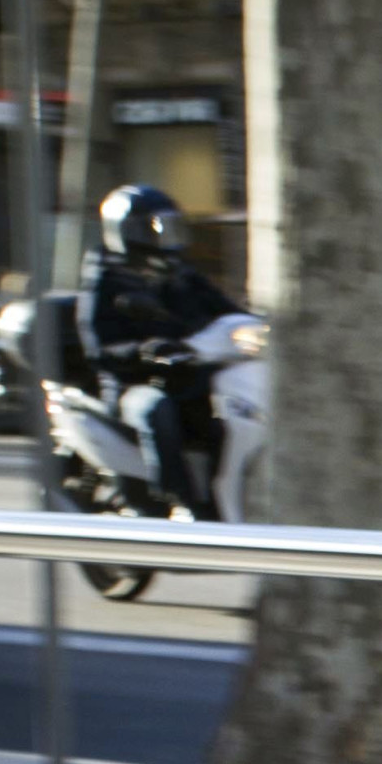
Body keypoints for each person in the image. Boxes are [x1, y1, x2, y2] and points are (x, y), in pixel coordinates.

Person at [83, 183, 237, 519]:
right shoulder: (107, 281)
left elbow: (225, 310)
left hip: (188, 377)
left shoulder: (182, 276)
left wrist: (251, 325)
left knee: (228, 418)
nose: (168, 238)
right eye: (157, 229)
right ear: (130, 232)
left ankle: (222, 500)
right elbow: (100, 349)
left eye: (171, 227)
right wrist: (146, 350)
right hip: (132, 386)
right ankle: (177, 500)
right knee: (156, 410)